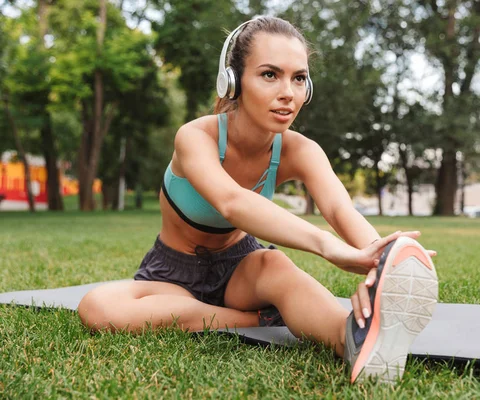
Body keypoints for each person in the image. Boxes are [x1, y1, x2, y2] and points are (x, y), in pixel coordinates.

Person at [78, 16, 439, 384]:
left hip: (241, 270)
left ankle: (355, 339)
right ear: (232, 81)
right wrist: (331, 250)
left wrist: (379, 257)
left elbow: (338, 207)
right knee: (98, 307)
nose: (288, 92)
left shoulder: (300, 150)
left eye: (299, 78)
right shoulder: (195, 137)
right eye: (270, 75)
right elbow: (232, 202)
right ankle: (257, 319)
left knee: (277, 267)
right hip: (172, 276)